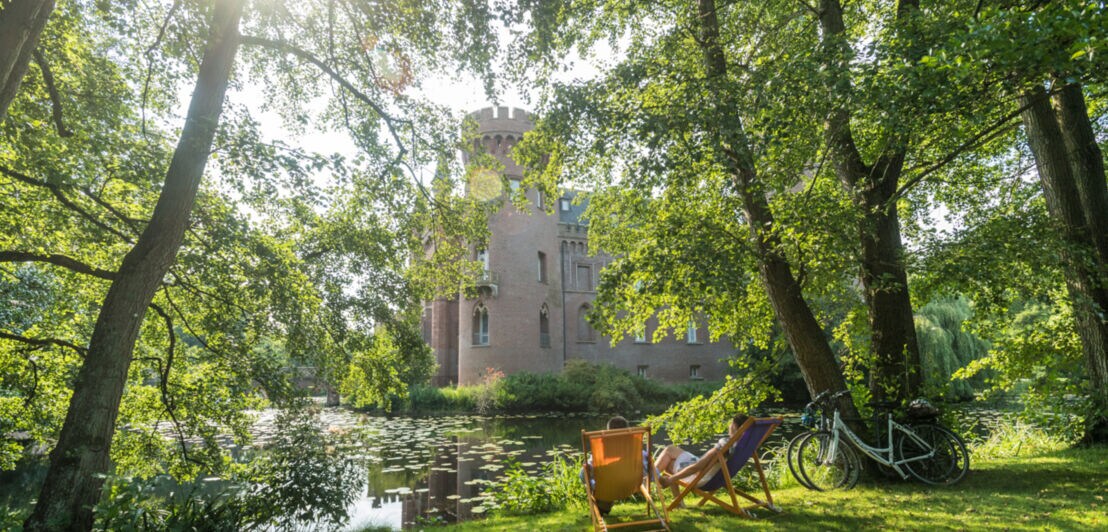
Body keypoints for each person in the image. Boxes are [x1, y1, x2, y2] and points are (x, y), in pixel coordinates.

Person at [653, 413, 749, 497]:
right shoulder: (741, 446)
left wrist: (670, 479)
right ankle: (678, 504)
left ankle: (649, 477)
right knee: (671, 450)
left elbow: (696, 468)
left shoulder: (723, 447)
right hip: (715, 477)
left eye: (731, 423)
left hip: (702, 478)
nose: (729, 426)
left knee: (670, 455)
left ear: (734, 426)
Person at [581, 416, 648, 515]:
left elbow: (585, 474)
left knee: (584, 473)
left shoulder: (601, 449)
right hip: (631, 485)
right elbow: (648, 467)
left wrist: (589, 476)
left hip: (606, 487)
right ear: (627, 431)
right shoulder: (636, 449)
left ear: (608, 431)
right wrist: (659, 478)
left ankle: (603, 505)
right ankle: (604, 505)